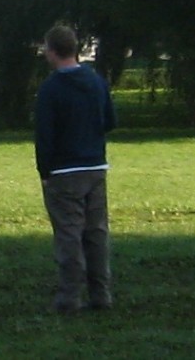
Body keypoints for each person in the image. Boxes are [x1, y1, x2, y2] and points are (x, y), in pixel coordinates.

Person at [35, 25, 116, 314]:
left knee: (69, 235)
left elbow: (45, 135)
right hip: (95, 166)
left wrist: (45, 172)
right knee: (96, 234)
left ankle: (69, 298)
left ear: (52, 51)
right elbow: (110, 121)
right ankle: (101, 294)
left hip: (64, 171)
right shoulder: (96, 81)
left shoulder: (50, 89)